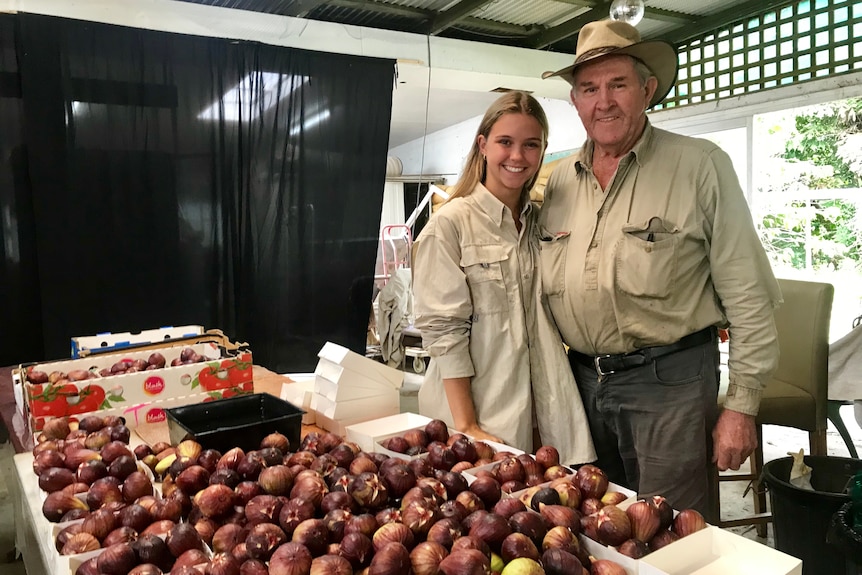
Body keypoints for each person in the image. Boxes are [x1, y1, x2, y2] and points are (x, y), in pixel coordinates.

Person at [539, 20, 782, 515]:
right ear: (575, 102)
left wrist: (741, 405)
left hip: (669, 385)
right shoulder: (558, 180)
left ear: (647, 90)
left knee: (671, 534)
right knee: (595, 526)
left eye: (617, 84)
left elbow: (748, 293)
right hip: (581, 384)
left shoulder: (700, 166)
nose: (602, 100)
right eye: (588, 88)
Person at [412, 91, 595, 465]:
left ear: (542, 152)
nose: (517, 156)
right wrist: (468, 425)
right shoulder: (450, 225)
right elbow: (445, 334)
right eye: (505, 142)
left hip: (544, 416)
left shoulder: (541, 225)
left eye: (531, 145)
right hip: (476, 420)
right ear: (483, 145)